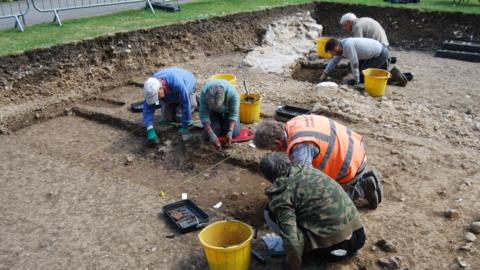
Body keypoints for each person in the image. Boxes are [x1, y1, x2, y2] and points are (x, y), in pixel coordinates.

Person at [259, 152, 366, 270]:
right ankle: (348, 248)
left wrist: (293, 265)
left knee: (269, 212)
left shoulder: (281, 195)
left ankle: (312, 258)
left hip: (331, 251)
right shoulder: (308, 170)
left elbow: (291, 239)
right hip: (358, 238)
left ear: (267, 176)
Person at [253, 115, 383, 209]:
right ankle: (361, 182)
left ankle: (360, 188)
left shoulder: (300, 148)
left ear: (277, 142)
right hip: (356, 151)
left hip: (349, 168)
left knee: (320, 207)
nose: (274, 153)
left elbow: (306, 185)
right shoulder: (294, 123)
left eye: (272, 149)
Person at [142, 67, 197, 144]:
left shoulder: (176, 83)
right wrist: (149, 128)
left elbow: (185, 103)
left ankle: (194, 98)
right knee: (167, 119)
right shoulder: (150, 86)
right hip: (170, 94)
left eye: (157, 97)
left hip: (187, 85)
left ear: (161, 88)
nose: (156, 99)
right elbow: (147, 108)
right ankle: (174, 102)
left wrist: (185, 125)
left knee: (180, 117)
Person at [319, 37, 389, 86]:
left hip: (380, 54)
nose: (331, 54)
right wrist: (325, 73)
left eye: (331, 52)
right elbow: (334, 61)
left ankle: (386, 75)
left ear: (335, 48)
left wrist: (357, 81)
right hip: (371, 55)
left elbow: (354, 63)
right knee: (358, 70)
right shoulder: (341, 46)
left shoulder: (348, 45)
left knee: (363, 74)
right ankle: (381, 67)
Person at [199, 79, 240, 150]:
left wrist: (230, 131)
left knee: (234, 133)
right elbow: (203, 113)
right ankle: (219, 123)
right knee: (212, 133)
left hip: (228, 112)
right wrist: (211, 134)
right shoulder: (204, 92)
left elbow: (234, 114)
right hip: (213, 112)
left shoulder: (233, 94)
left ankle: (223, 123)